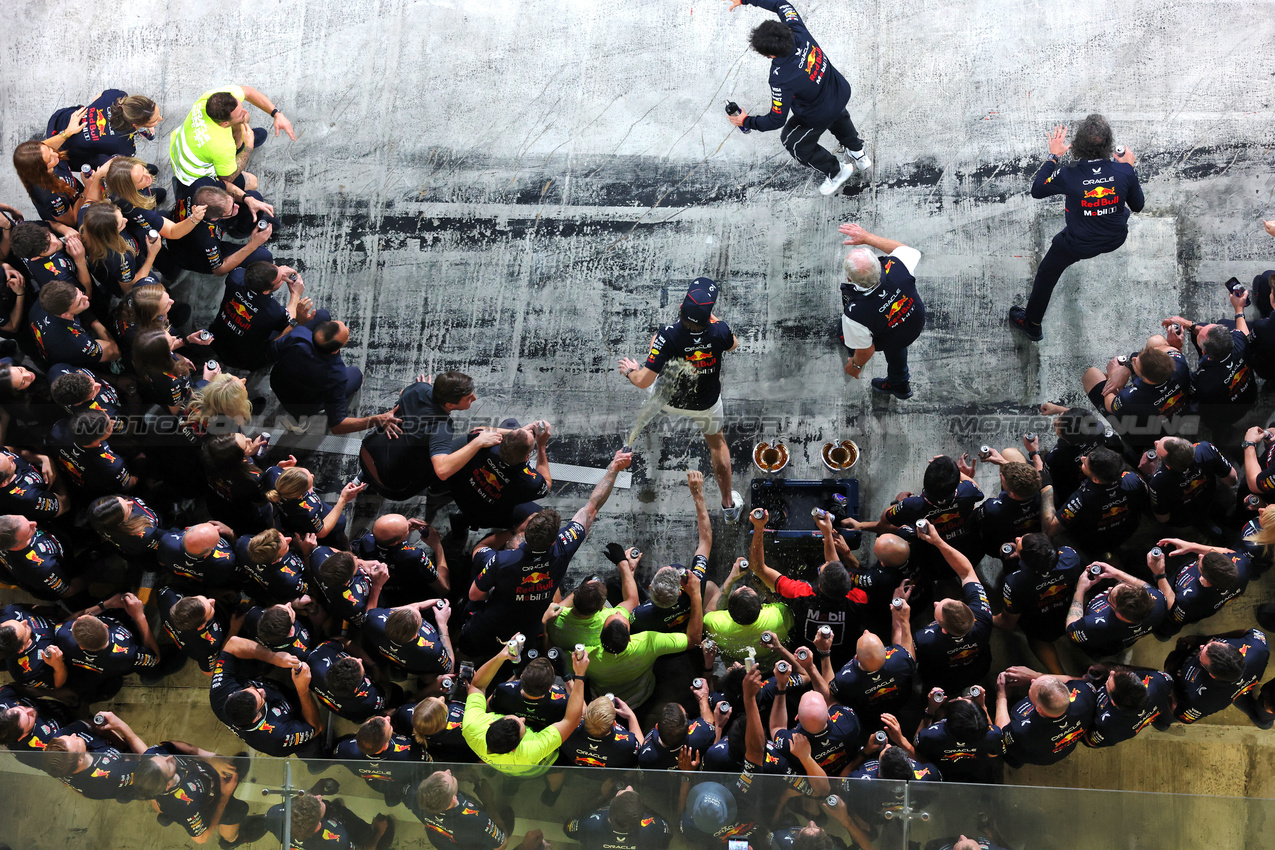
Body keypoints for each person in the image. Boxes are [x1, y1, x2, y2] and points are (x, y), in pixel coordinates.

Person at [460, 449, 631, 658]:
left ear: (526, 533)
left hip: (488, 627)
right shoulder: (563, 546)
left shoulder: (501, 560)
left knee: (467, 649)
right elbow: (591, 508)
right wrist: (614, 468)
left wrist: (511, 534)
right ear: (552, 540)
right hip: (525, 632)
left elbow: (475, 593)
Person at [1008, 115, 1144, 339]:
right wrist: (1129, 167)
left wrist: (1054, 156)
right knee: (1122, 211)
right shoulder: (1124, 171)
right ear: (1109, 145)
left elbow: (1037, 190)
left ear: (1077, 145)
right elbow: (1137, 205)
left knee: (1046, 273)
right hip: (1115, 238)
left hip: (1077, 244)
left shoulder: (1068, 174)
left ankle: (1032, 324)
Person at [618, 277, 741, 520]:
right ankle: (728, 505)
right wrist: (712, 321)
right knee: (717, 445)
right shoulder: (720, 330)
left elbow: (643, 381)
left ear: (680, 308)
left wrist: (631, 371)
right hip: (706, 405)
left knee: (656, 347)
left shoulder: (668, 335)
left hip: (669, 402)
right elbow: (733, 345)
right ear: (709, 316)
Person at [722, 0, 870, 195]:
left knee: (792, 141)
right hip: (838, 90)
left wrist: (746, 121)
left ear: (770, 55)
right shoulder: (797, 29)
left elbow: (776, 120)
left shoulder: (780, 78)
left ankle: (836, 171)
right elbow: (780, 3)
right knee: (837, 114)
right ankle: (859, 154)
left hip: (818, 112)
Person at [749, 507, 867, 667]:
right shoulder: (859, 599)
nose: (825, 563)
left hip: (803, 662)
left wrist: (758, 528)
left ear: (820, 586)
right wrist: (827, 534)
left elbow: (759, 568)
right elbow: (834, 566)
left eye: (822, 568)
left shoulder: (801, 593)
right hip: (843, 665)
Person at [461, 636, 589, 777]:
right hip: (535, 768)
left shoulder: (472, 727)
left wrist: (501, 656)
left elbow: (477, 686)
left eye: (515, 719)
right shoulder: (531, 750)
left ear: (492, 723)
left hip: (505, 767)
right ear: (516, 748)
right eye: (522, 725)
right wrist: (579, 675)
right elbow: (573, 719)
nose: (523, 719)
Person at [269, 313, 401, 435]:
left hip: (277, 383)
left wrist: (296, 322)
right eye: (347, 335)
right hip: (302, 406)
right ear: (336, 349)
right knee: (356, 374)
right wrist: (377, 419)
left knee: (322, 314)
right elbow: (338, 425)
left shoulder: (298, 334)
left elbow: (271, 350)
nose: (348, 328)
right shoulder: (335, 374)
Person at [588, 570, 704, 709]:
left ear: (600, 636)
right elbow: (693, 640)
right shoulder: (648, 642)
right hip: (643, 696)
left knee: (613, 584)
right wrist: (696, 595)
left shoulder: (587, 656)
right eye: (620, 616)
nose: (618, 611)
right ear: (630, 638)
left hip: (605, 701)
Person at [357, 370, 477, 501]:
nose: (474, 399)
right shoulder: (442, 426)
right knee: (467, 444)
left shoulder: (420, 388)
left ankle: (362, 477)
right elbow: (442, 471)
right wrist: (478, 442)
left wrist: (423, 390)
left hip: (365, 452)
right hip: (391, 488)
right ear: (449, 405)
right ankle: (437, 493)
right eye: (469, 398)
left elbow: (403, 393)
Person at [837, 222, 925, 399]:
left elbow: (866, 350)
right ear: (879, 263)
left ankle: (850, 348)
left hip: (887, 336)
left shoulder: (855, 316)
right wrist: (867, 237)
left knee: (846, 332)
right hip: (913, 321)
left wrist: (855, 366)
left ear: (849, 279)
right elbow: (905, 250)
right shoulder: (899, 266)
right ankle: (900, 384)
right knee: (898, 342)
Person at [629, 472, 718, 634]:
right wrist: (698, 494)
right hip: (687, 623)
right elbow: (705, 541)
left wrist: (628, 572)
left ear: (650, 587)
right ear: (680, 591)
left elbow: (630, 605)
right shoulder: (695, 582)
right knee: (710, 587)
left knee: (614, 585)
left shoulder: (640, 615)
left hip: (662, 628)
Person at [168, 85, 295, 196]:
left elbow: (248, 92)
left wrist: (276, 114)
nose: (245, 111)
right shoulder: (222, 146)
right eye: (239, 114)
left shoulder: (209, 99)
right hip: (192, 176)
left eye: (241, 108)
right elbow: (228, 177)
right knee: (252, 182)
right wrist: (248, 147)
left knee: (245, 118)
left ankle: (239, 145)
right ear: (224, 124)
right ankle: (183, 189)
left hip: (181, 148)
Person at [911, 523, 994, 693]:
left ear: (943, 630)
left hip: (940, 681)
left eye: (936, 612)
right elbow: (967, 572)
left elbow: (906, 656)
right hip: (979, 669)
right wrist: (938, 541)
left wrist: (901, 619)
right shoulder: (983, 616)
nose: (935, 603)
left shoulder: (923, 640)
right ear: (966, 607)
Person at [1162, 295, 1257, 433]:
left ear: (1204, 353)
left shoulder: (1202, 381)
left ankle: (1221, 433)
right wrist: (1188, 324)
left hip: (1223, 417)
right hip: (1250, 396)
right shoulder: (1240, 344)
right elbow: (1244, 333)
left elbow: (1182, 382)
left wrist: (1176, 349)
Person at [993, 533, 1086, 675]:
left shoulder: (1015, 583)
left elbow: (1007, 623)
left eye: (1019, 543)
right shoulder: (1070, 557)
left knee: (1036, 638)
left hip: (1041, 626)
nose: (1017, 538)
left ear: (1026, 561)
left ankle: (1059, 675)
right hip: (1072, 613)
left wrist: (983, 615)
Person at [1080, 336, 1191, 452]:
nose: (1133, 358)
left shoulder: (1129, 397)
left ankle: (1134, 448)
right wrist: (1127, 368)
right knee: (1156, 340)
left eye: (1136, 364)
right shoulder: (1179, 363)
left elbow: (1110, 405)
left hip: (1142, 434)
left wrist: (1113, 377)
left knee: (1091, 374)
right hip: (1177, 416)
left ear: (1146, 379)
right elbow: (1170, 349)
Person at [132, 740, 248, 845]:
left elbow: (171, 745)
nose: (170, 757)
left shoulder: (153, 756)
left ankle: (169, 816)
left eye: (163, 757)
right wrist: (224, 797)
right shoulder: (186, 808)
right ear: (168, 785)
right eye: (168, 765)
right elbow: (201, 838)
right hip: (211, 805)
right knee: (234, 815)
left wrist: (209, 757)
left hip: (208, 779)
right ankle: (232, 841)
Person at [448, 419, 552, 533]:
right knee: (541, 517)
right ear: (527, 458)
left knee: (510, 423)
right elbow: (546, 483)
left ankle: (463, 521)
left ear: (501, 440)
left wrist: (516, 432)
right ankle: (465, 522)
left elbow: (476, 431)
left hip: (459, 491)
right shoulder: (530, 482)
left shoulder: (487, 447)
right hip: (485, 516)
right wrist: (541, 446)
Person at [207, 260, 312, 370]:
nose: (282, 276)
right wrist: (296, 294)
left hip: (215, 337)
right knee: (294, 328)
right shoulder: (273, 312)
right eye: (280, 280)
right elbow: (290, 318)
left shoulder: (234, 277)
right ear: (266, 291)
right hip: (242, 359)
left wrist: (275, 272)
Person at [1043, 446, 1147, 556]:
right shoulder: (1133, 479)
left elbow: (1051, 528)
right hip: (1127, 530)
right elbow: (1145, 492)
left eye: (1085, 464)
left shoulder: (1081, 499)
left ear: (1096, 479)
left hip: (1094, 542)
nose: (1082, 458)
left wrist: (1046, 487)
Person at [828, 601, 917, 725]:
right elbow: (908, 653)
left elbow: (830, 691)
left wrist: (824, 653)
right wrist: (903, 620)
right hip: (901, 700)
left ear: (856, 657)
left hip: (868, 713)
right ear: (886, 652)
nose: (866, 631)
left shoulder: (845, 680)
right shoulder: (900, 660)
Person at [54, 593, 161, 695]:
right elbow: (155, 658)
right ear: (106, 625)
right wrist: (139, 617)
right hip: (132, 631)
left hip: (104, 667)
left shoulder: (64, 637)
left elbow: (67, 621)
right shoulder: (128, 655)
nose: (79, 617)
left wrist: (106, 604)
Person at [1166, 630, 1270, 727]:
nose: (1201, 646)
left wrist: (1169, 680)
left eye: (1200, 654)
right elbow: (1247, 631)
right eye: (1214, 642)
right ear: (1231, 647)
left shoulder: (1202, 701)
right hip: (1242, 686)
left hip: (1228, 695)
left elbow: (1181, 717)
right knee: (1264, 723)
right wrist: (1202, 639)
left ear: (1212, 675)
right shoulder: (1259, 647)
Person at [995, 667, 1096, 767]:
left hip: (1034, 754)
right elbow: (1073, 680)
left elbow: (1002, 732)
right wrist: (1036, 675)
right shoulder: (1085, 692)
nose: (1032, 681)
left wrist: (1002, 697)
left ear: (1039, 709)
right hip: (1062, 750)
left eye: (1032, 686)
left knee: (1012, 752)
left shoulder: (1020, 730)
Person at [1064, 562, 1166, 660]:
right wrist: (1115, 572)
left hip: (1101, 647)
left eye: (1110, 597)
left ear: (1119, 614)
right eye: (1122, 583)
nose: (1109, 588)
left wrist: (1080, 590)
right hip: (1124, 641)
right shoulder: (1159, 600)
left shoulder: (1093, 625)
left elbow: (1071, 630)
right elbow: (1147, 587)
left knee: (1095, 654)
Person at [166, 182, 274, 276]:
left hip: (194, 229)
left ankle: (238, 232)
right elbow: (219, 270)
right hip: (191, 255)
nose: (237, 207)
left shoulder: (201, 186)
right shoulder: (205, 239)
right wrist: (253, 244)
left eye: (231, 200)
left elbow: (225, 184)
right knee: (263, 256)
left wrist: (247, 198)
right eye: (231, 210)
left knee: (254, 198)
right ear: (215, 219)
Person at [1149, 539, 1249, 637]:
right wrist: (1192, 546)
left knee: (1166, 626)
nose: (1200, 555)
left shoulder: (1190, 600)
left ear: (1207, 581)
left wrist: (1159, 575)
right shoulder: (1242, 565)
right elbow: (1229, 552)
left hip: (1175, 615)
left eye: (1201, 566)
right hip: (1182, 587)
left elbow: (1174, 610)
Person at [41, 710, 148, 800]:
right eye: (76, 741)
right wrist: (122, 727)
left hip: (116, 752)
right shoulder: (108, 775)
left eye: (69, 736)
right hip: (135, 779)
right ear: (79, 760)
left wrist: (107, 732)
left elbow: (88, 723)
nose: (73, 735)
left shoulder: (60, 744)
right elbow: (151, 762)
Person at [703, 559, 792, 664]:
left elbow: (709, 611)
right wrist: (764, 587)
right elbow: (784, 603)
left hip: (735, 666)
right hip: (774, 664)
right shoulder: (778, 616)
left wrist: (731, 578)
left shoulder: (718, 625)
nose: (744, 586)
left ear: (728, 610)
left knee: (710, 587)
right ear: (761, 607)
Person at [45, 89, 162, 169]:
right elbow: (112, 166)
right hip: (60, 153)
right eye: (154, 120)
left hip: (59, 120)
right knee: (112, 162)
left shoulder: (117, 96)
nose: (160, 119)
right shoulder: (125, 147)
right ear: (135, 124)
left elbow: (97, 98)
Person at [351, 513, 450, 605]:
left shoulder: (366, 541)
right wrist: (437, 546)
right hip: (413, 598)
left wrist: (401, 532)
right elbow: (444, 588)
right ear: (396, 542)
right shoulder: (414, 556)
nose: (409, 524)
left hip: (385, 595)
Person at [407, 769, 517, 850]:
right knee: (507, 815)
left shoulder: (414, 795)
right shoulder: (477, 821)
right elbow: (502, 844)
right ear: (454, 800)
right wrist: (488, 801)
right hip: (474, 843)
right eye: (451, 777)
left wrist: (455, 776)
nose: (448, 770)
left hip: (444, 839)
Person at [1145, 437, 1236, 534]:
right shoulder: (1205, 449)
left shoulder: (1158, 481)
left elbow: (1163, 518)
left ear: (1167, 464)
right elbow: (1232, 480)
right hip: (1209, 497)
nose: (1156, 442)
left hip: (1184, 516)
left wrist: (1150, 474)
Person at [912, 691, 1004, 783]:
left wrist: (930, 711)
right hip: (977, 777)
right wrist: (982, 706)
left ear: (947, 720)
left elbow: (917, 746)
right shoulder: (993, 735)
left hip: (940, 776)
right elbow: (994, 754)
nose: (960, 698)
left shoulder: (931, 735)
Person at [28, 281, 120, 368]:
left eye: (80, 292)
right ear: (65, 315)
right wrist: (95, 322)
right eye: (80, 302)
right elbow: (115, 352)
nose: (86, 298)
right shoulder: (77, 342)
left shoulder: (47, 298)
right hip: (69, 358)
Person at [262, 791, 392, 850]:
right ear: (319, 825)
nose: (319, 796)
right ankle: (372, 840)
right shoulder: (338, 840)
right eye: (319, 802)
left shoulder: (273, 815)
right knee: (348, 821)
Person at [1082, 665, 1174, 748]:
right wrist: (1106, 667)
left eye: (1109, 680)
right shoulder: (1160, 681)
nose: (1112, 672)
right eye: (1129, 674)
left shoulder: (1109, 728)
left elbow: (1090, 741)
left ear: (1113, 702)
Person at [0, 515, 84, 602]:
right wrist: (91, 576)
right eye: (29, 530)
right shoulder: (42, 568)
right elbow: (68, 591)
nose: (34, 523)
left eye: (27, 520)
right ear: (16, 547)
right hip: (67, 566)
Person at [306, 637, 393, 722]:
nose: (360, 659)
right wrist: (377, 673)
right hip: (356, 709)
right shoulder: (369, 701)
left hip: (341, 707)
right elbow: (386, 690)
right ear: (356, 689)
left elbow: (339, 641)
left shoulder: (314, 663)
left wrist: (373, 664)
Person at [362, 599, 454, 675]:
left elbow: (382, 612)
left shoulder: (374, 619)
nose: (416, 608)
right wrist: (442, 625)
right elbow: (450, 669)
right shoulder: (433, 649)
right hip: (414, 668)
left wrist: (418, 605)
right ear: (415, 635)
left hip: (385, 656)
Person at [564, 786, 671, 850]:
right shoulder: (654, 827)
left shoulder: (589, 823)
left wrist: (601, 797)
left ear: (609, 807)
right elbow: (667, 836)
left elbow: (568, 829)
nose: (629, 787)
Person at [158, 587, 233, 674]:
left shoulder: (167, 595)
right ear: (201, 626)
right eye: (211, 609)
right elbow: (209, 672)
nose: (212, 600)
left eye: (204, 598)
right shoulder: (209, 646)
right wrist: (233, 629)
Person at [558, 695, 642, 769]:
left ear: (584, 715)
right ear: (614, 723)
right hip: (608, 776)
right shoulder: (627, 743)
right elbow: (641, 750)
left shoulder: (566, 731)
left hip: (577, 770)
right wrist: (631, 716)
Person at [487, 656, 568, 731]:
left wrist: (516, 674)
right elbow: (572, 718)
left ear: (521, 677)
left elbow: (489, 708)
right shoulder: (562, 700)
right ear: (550, 687)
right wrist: (567, 677)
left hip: (513, 729)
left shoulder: (503, 689)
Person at [9, 220, 92, 292]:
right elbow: (87, 294)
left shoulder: (27, 229)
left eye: (49, 235)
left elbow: (49, 223)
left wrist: (66, 230)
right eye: (48, 248)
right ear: (36, 258)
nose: (55, 242)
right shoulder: (58, 277)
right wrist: (80, 261)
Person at [156, 521, 240, 591]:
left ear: (187, 528)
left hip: (176, 574)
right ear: (207, 554)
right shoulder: (226, 562)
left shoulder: (167, 542)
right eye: (217, 538)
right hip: (206, 583)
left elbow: (161, 563)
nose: (217, 527)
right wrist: (231, 533)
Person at [0, 445, 66, 520]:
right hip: (64, 482)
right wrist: (54, 470)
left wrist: (41, 458)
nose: (11, 456)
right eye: (10, 463)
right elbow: (64, 503)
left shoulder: (3, 457)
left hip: (42, 453)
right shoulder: (29, 497)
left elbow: (10, 450)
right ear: (4, 482)